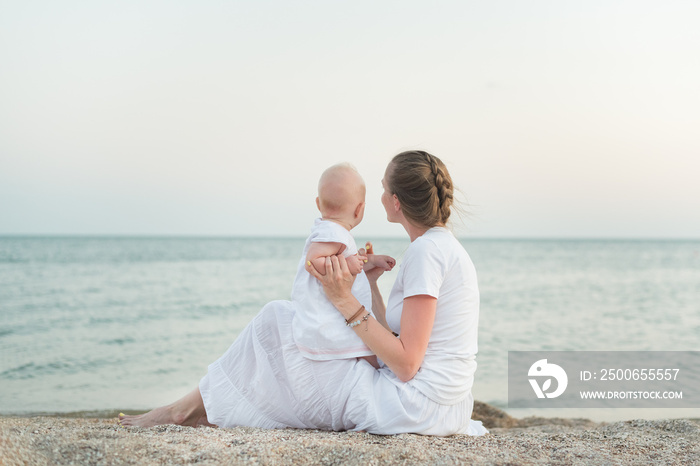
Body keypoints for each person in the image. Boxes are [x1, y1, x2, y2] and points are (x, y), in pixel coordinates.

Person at [119, 150, 487, 437]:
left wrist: (344, 300)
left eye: (383, 188)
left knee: (276, 321)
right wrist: (370, 285)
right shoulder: (440, 248)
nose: (379, 196)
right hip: (434, 403)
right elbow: (397, 341)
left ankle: (183, 411)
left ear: (395, 202)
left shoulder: (427, 252)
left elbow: (406, 364)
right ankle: (194, 409)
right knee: (282, 324)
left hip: (414, 405)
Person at [292, 163, 395, 367]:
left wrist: (371, 261)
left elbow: (345, 264)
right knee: (369, 352)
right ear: (360, 209)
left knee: (369, 350)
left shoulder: (332, 232)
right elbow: (312, 261)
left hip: (335, 315)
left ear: (318, 204)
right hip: (329, 318)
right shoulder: (333, 232)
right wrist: (349, 263)